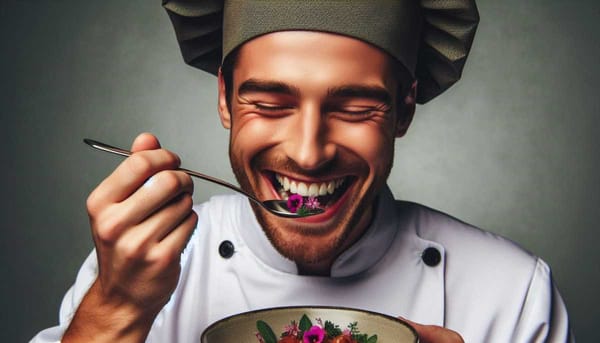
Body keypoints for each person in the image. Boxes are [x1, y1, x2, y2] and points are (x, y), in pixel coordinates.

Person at [31, 1, 573, 342]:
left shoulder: (513, 295)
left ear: (404, 109)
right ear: (225, 98)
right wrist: (116, 310)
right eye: (269, 102)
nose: (309, 154)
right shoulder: (133, 267)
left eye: (357, 107)